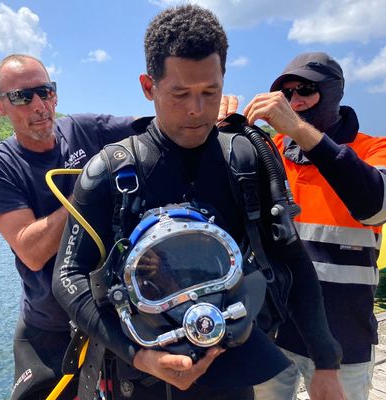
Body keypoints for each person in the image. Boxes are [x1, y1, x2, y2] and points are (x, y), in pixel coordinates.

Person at [52, 6, 345, 400]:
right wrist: (139, 356)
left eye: (210, 92)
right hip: (139, 381)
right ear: (147, 86)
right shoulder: (109, 171)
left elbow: (291, 259)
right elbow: (68, 277)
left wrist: (326, 363)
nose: (196, 110)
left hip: (233, 376)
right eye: (180, 93)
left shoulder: (245, 159)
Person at [0, 54, 136, 399]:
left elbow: (158, 127)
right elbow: (31, 250)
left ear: (56, 95)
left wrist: (208, 112)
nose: (39, 105)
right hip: (52, 327)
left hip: (117, 313)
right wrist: (89, 188)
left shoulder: (85, 130)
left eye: (45, 92)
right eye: (22, 96)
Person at [246, 52, 386, 400]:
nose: (294, 101)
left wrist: (300, 131)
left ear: (333, 93)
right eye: (285, 94)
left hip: (343, 337)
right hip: (276, 332)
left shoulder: (373, 149)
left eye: (304, 90)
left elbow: (378, 205)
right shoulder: (271, 153)